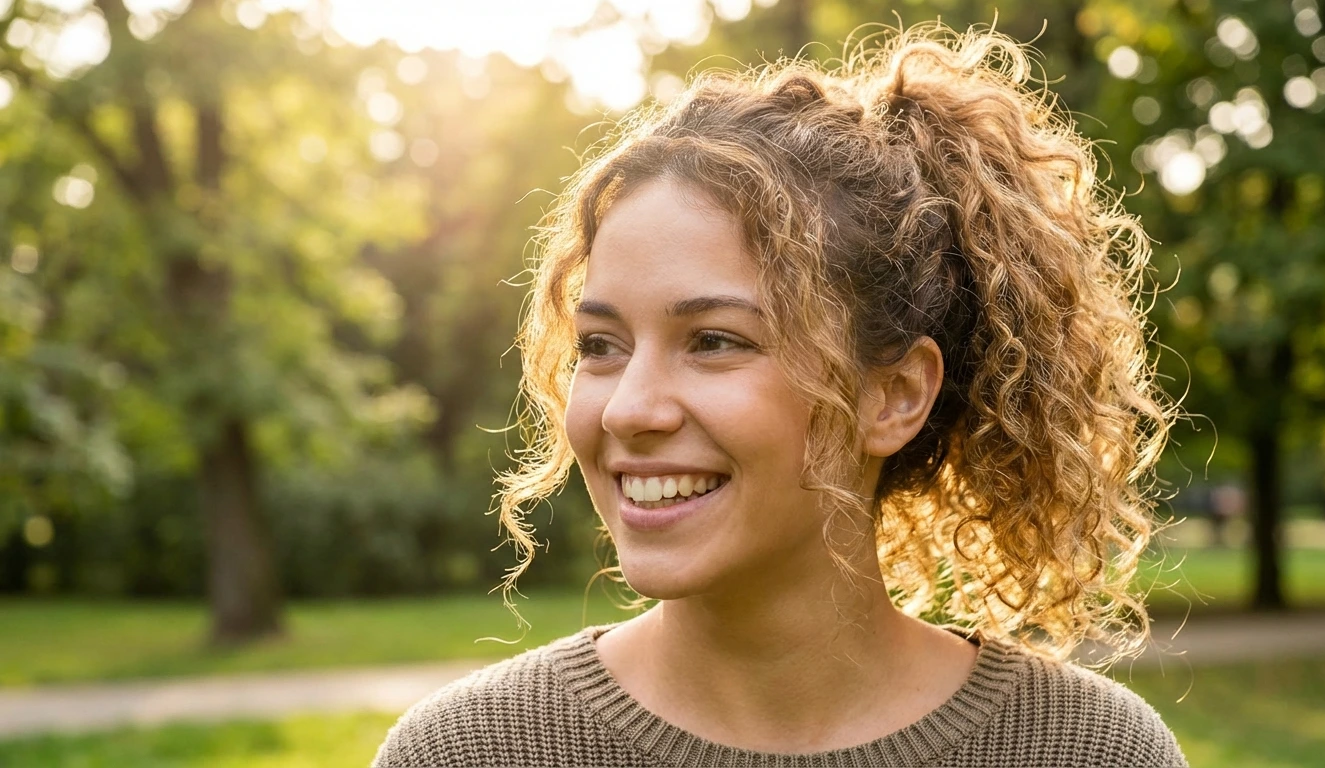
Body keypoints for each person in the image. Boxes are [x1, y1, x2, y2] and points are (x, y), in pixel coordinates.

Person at [374, 23, 1186, 768]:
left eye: (714, 342)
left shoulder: (1092, 750)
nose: (627, 409)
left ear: (893, 396)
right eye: (601, 346)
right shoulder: (465, 752)